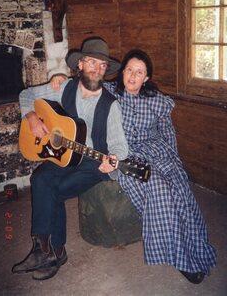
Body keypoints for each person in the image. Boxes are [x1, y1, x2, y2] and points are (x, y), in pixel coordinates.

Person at [51, 49, 217, 284]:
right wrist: (58, 78)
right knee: (159, 188)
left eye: (139, 72)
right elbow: (82, 84)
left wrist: (174, 163)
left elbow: (168, 136)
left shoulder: (157, 101)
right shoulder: (107, 91)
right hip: (126, 158)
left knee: (179, 188)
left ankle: (196, 250)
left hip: (158, 154)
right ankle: (181, 259)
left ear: (146, 78)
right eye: (129, 70)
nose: (132, 76)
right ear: (122, 73)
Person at [11, 37, 129, 281]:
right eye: (92, 62)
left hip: (93, 163)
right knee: (41, 178)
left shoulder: (110, 105)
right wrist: (31, 117)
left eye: (102, 65)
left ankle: (52, 252)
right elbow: (26, 95)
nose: (97, 69)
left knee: (52, 189)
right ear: (81, 65)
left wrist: (113, 159)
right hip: (65, 155)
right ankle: (47, 251)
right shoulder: (64, 87)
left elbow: (120, 146)